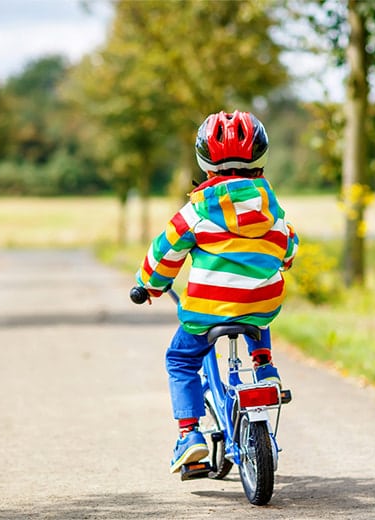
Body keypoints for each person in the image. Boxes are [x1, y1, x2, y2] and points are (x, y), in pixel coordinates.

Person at [135, 110, 299, 474]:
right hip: (261, 303)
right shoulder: (271, 209)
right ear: (261, 161)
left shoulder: (196, 212)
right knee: (256, 304)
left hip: (208, 310)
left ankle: (189, 436)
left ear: (205, 165)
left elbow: (164, 253)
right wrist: (284, 259)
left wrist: (150, 285)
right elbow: (288, 243)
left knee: (180, 361)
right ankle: (264, 365)